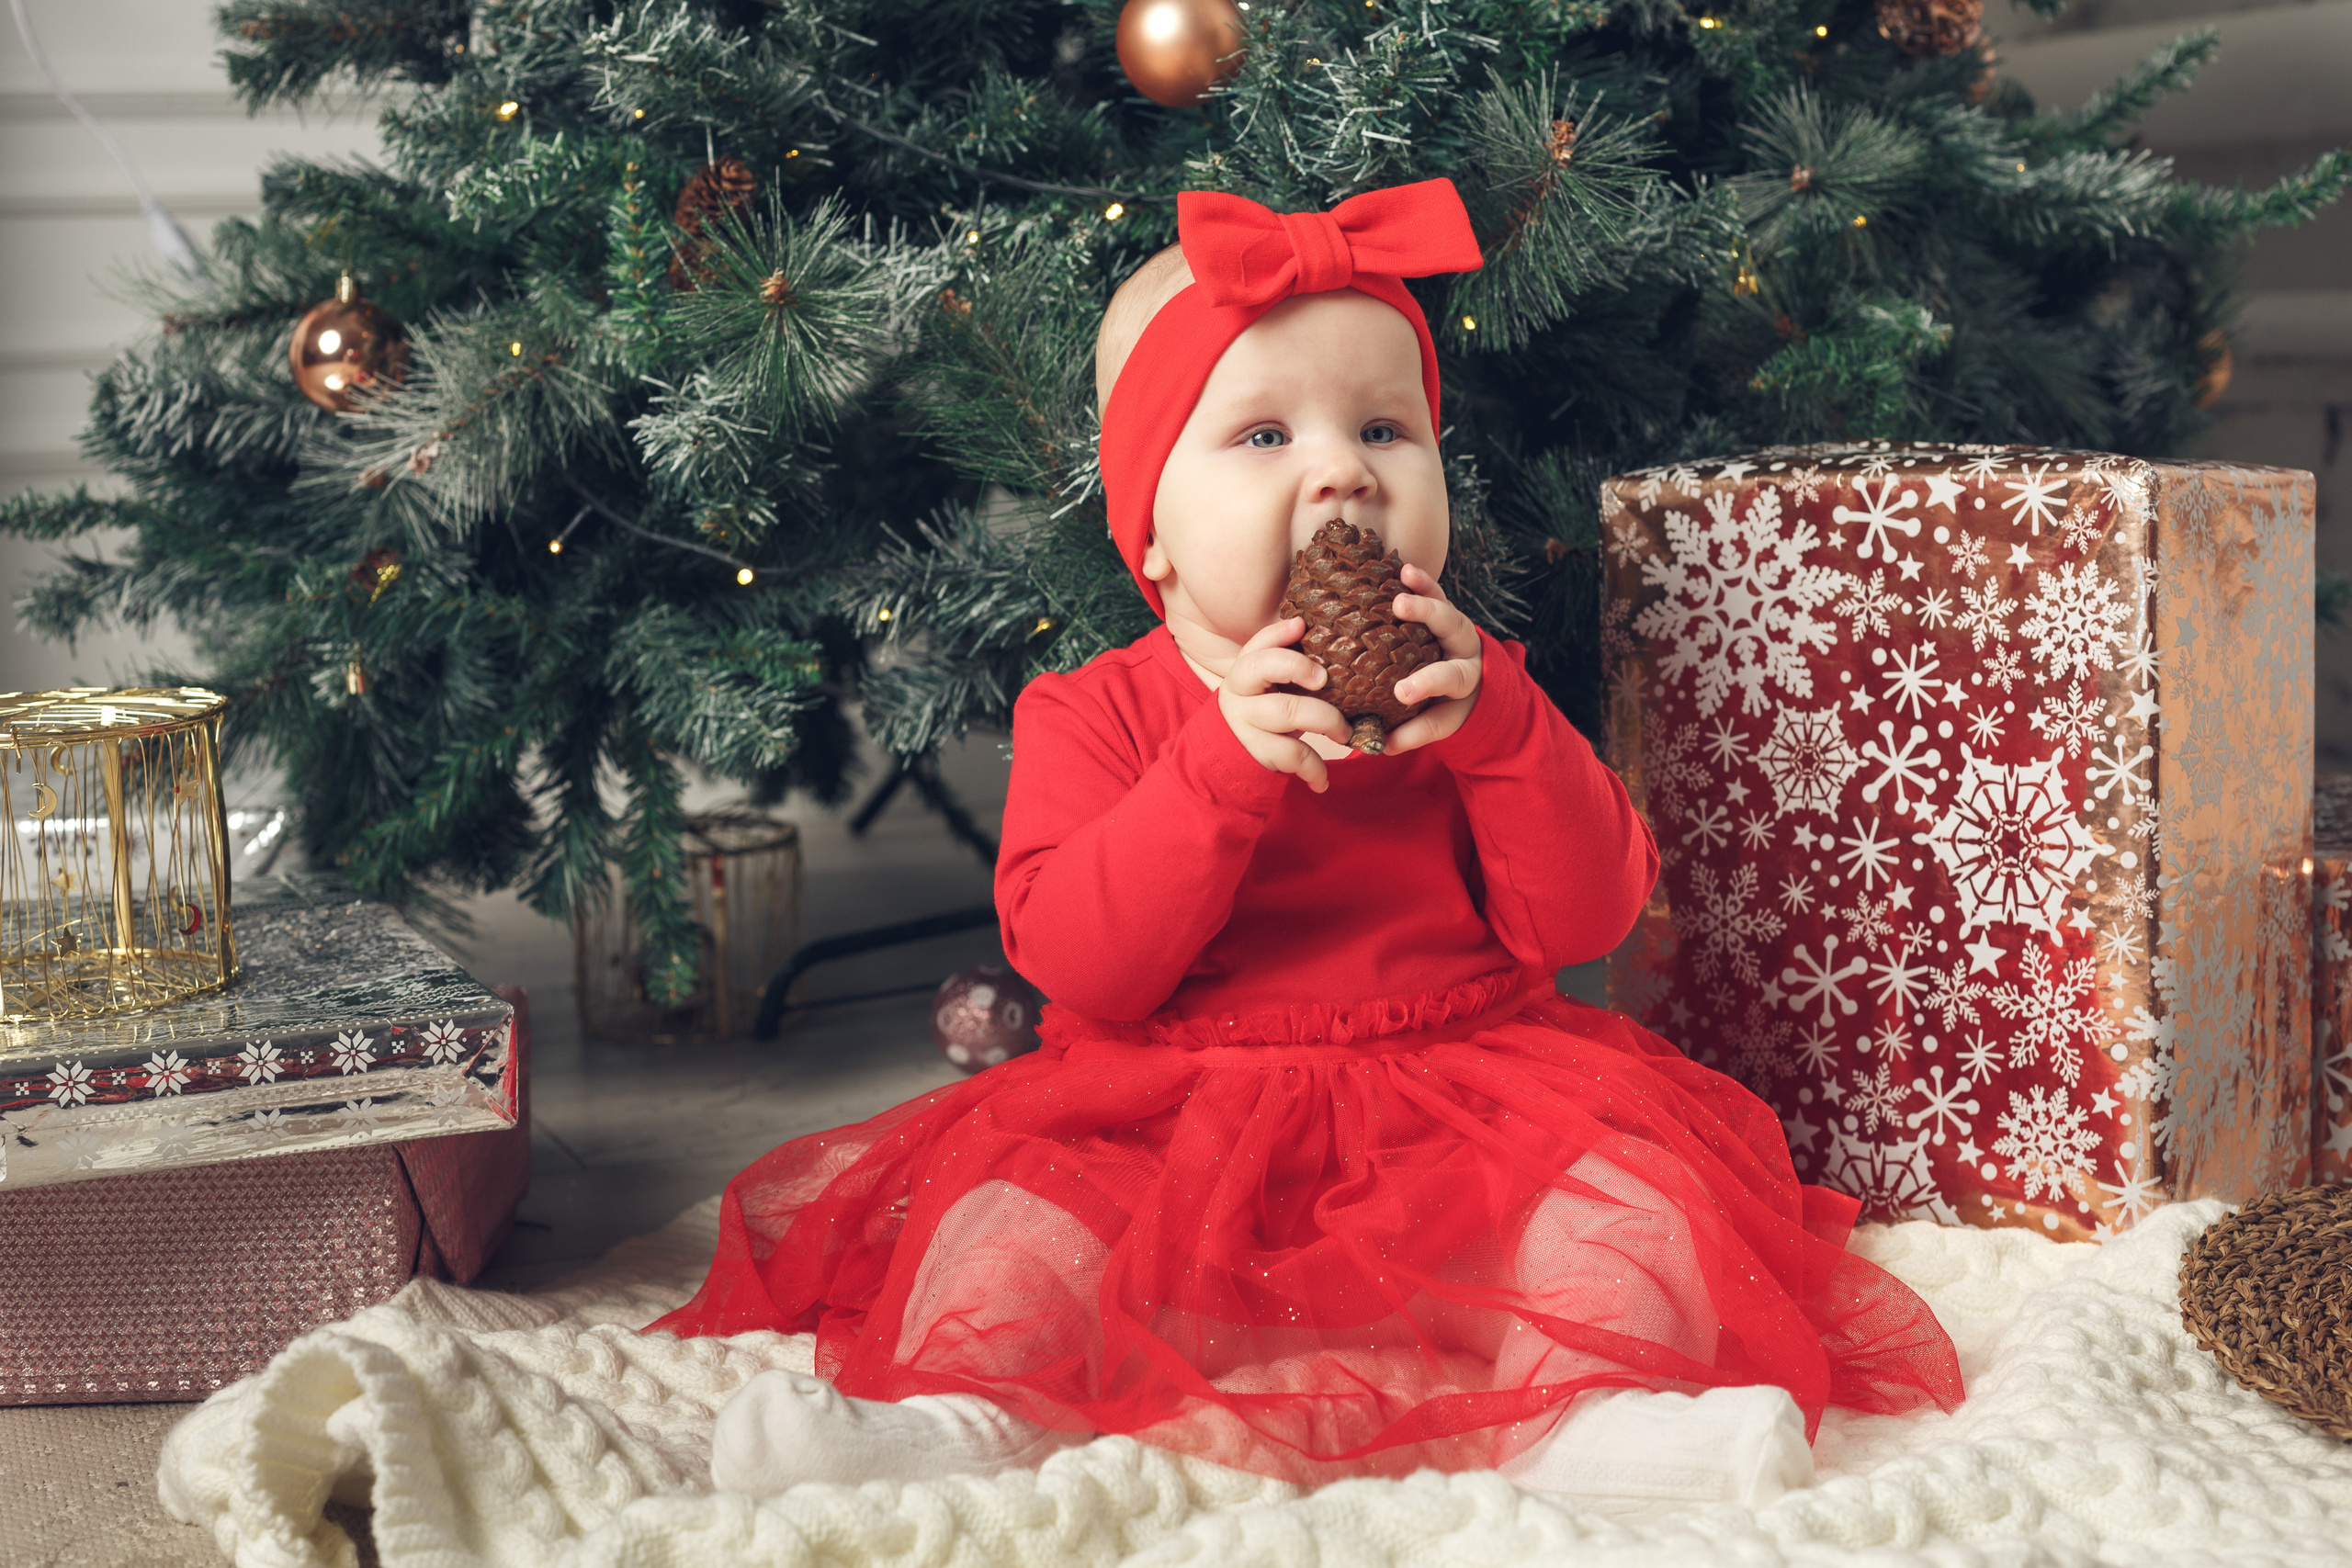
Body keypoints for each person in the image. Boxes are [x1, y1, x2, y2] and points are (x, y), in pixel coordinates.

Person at [651, 179, 1964, 1514]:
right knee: (1014, 1224)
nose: (1344, 471)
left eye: (1387, 428)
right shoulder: (1096, 712)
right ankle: (950, 1410)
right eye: (1266, 433)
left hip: (1461, 1108)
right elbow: (1083, 965)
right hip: (1171, 1123)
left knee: (1621, 1199)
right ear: (1151, 541)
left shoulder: (1475, 693)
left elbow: (1587, 919)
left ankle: (1600, 1409)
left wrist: (1505, 729)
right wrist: (1219, 771)